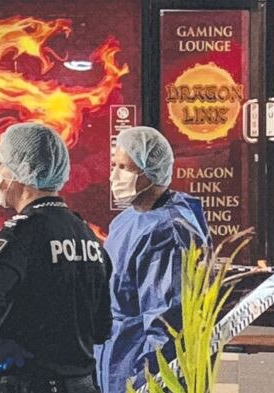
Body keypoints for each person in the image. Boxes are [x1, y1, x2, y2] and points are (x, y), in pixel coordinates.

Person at [0, 122, 112, 393]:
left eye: (0, 165)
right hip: (83, 383)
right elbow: (102, 327)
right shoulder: (88, 236)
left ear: (21, 172)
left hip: (30, 382)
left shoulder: (20, 236)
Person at [94, 126, 209, 393]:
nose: (114, 176)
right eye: (114, 165)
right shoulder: (127, 220)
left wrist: (151, 380)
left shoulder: (166, 231)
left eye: (125, 167)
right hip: (116, 355)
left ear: (151, 173)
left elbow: (167, 322)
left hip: (138, 365)